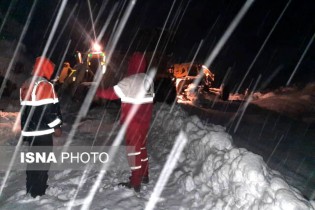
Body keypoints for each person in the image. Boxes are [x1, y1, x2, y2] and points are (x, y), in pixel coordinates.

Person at [95, 52, 154, 192]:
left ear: (132, 64)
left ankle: (135, 182)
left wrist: (97, 91)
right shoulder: (148, 79)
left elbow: (111, 94)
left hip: (133, 123)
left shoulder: (130, 80)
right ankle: (145, 175)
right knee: (142, 148)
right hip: (145, 122)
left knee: (133, 151)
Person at [20, 56, 63, 198]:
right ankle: (38, 191)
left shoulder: (27, 83)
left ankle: (31, 187)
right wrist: (56, 126)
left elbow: (27, 110)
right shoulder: (44, 85)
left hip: (31, 130)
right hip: (42, 131)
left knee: (33, 161)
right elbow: (47, 110)